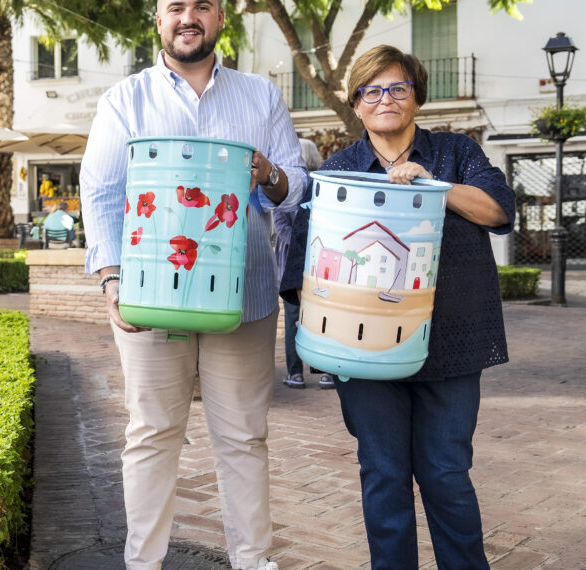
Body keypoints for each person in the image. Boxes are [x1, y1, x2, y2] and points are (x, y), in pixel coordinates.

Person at [79, 1, 304, 568]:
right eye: (175, 6)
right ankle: (143, 563)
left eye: (202, 5)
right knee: (152, 434)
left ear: (221, 18)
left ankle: (253, 562)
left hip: (245, 298)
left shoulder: (261, 95)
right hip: (151, 299)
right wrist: (111, 278)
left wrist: (269, 175)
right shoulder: (124, 100)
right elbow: (102, 193)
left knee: (245, 439)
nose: (188, 17)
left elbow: (296, 184)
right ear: (157, 19)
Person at [281, 45, 515, 569]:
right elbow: (302, 263)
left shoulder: (455, 152)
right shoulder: (339, 169)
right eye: (372, 90)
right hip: (362, 351)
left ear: (416, 97)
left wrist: (431, 185)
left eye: (398, 88)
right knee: (384, 475)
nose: (385, 99)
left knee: (447, 473)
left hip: (451, 344)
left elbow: (499, 210)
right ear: (357, 104)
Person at [276, 139, 335, 389]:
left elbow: (280, 226)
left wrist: (305, 243)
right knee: (324, 316)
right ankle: (323, 373)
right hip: (313, 260)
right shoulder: (326, 186)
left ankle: (298, 372)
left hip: (308, 261)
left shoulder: (293, 185)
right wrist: (310, 243)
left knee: (295, 317)